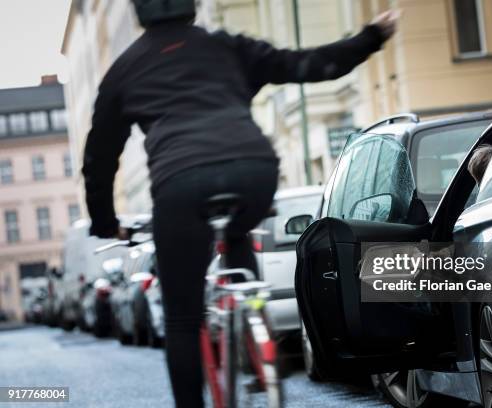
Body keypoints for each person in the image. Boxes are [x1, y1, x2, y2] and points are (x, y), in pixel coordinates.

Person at [82, 0, 399, 406]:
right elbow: (306, 64)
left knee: (182, 318)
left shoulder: (125, 69)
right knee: (236, 233)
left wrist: (105, 222)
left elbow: (99, 157)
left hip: (180, 185)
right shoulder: (225, 46)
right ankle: (253, 321)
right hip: (254, 171)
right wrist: (371, 37)